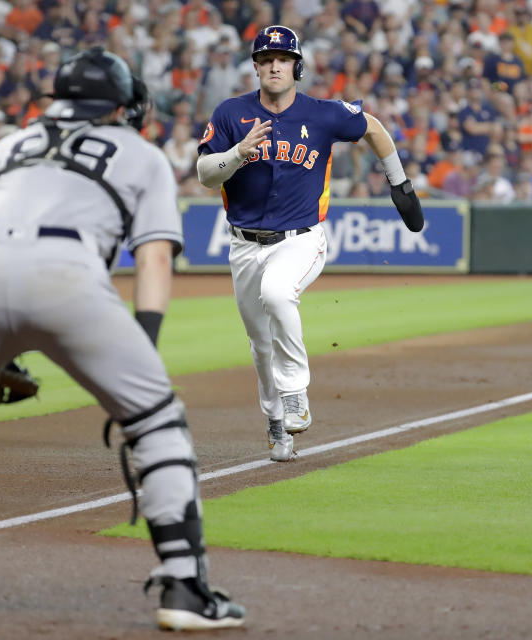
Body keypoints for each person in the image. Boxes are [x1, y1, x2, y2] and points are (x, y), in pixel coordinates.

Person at [0, 47, 246, 632]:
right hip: (69, 273)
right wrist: (145, 343)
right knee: (154, 421)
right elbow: (152, 258)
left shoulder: (2, 145)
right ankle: (183, 587)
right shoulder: (141, 153)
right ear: (120, 105)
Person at [196, 25, 424, 462]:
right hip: (244, 245)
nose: (274, 65)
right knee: (260, 345)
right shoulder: (231, 113)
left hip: (301, 238)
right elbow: (206, 173)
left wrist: (400, 183)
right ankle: (277, 423)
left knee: (278, 294)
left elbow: (372, 127)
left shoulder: (322, 113)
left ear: (296, 66)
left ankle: (296, 391)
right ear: (257, 68)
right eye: (265, 59)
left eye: (282, 58)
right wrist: (239, 152)